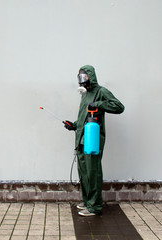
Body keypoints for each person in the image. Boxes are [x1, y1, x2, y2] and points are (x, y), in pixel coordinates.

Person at [64, 65, 124, 216]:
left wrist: (98, 104)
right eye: (80, 78)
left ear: (91, 76)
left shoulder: (100, 91)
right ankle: (87, 201)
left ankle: (95, 206)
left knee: (93, 172)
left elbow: (119, 107)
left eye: (84, 77)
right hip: (82, 139)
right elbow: (84, 117)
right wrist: (74, 125)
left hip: (94, 139)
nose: (82, 80)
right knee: (84, 172)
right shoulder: (84, 95)